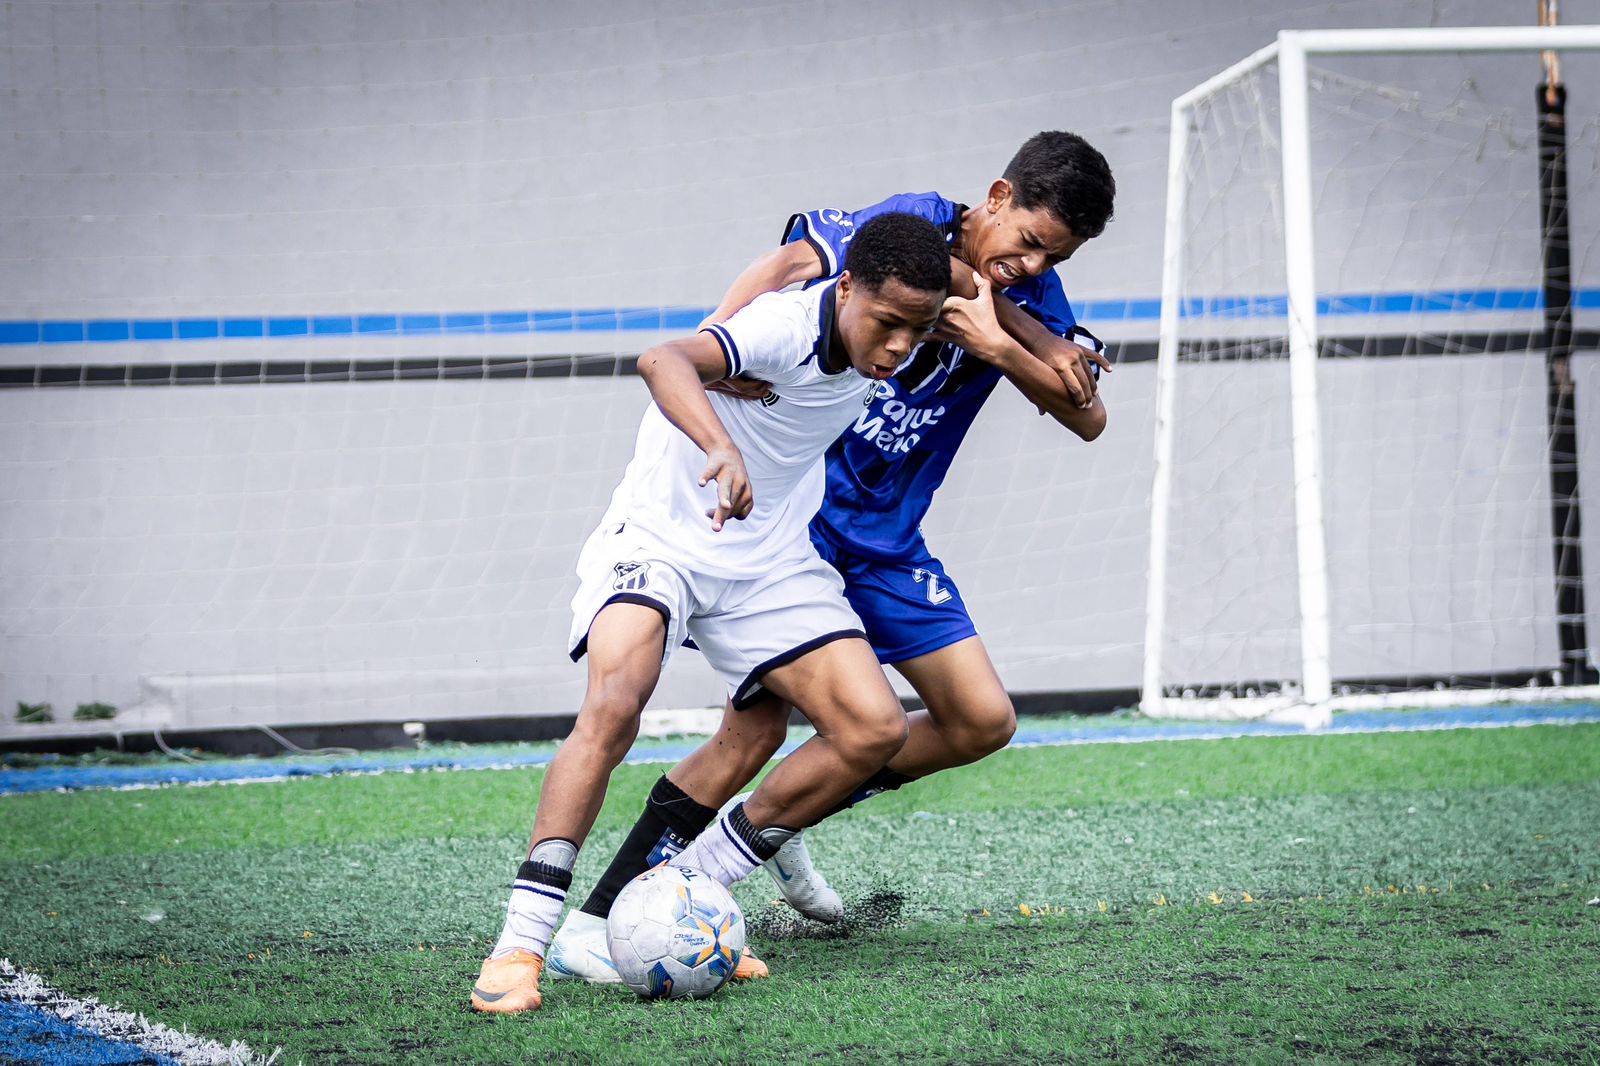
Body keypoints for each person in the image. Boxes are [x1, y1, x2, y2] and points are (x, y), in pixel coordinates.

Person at [546, 131, 1116, 984]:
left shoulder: (1035, 301)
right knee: (758, 729)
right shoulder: (908, 225)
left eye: (1052, 257)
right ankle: (609, 915)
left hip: (888, 535)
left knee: (981, 721)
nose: (1031, 266)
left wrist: (997, 343)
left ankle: (784, 816)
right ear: (996, 197)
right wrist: (719, 339)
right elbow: (783, 269)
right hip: (802, 522)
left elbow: (1087, 415)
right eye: (1028, 242)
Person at [470, 213, 962, 1015]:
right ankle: (520, 944)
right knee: (616, 702)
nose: (902, 345)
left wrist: (1041, 344)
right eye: (888, 321)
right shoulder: (780, 328)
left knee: (866, 730)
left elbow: (977, 277)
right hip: (664, 533)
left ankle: (680, 895)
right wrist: (718, 444)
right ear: (845, 289)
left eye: (920, 328)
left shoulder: (909, 311)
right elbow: (662, 359)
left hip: (767, 557)